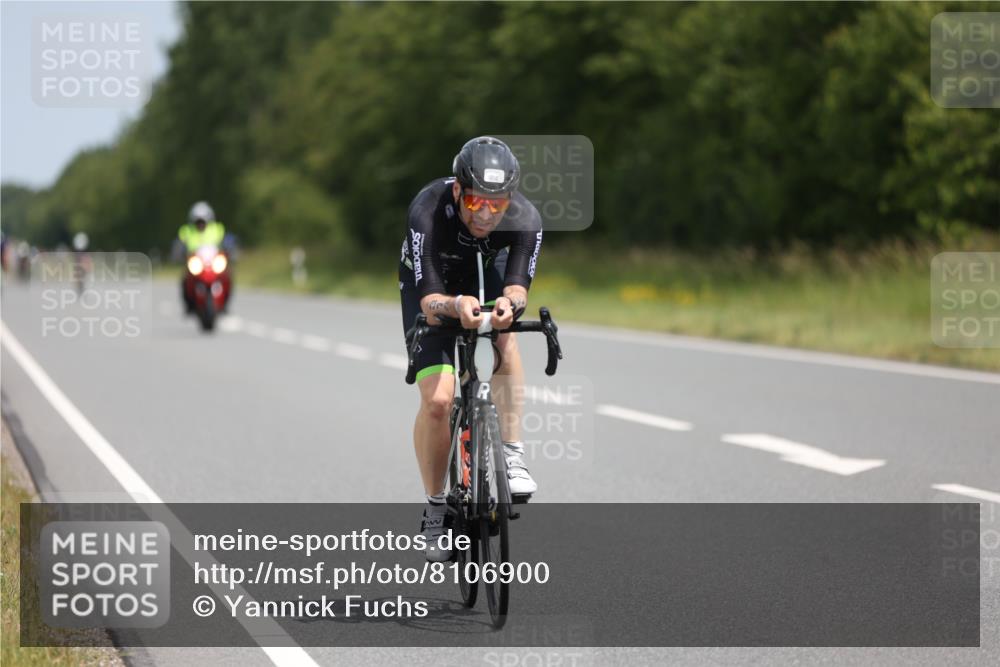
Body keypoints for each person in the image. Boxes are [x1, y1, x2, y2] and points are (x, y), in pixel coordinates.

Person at [399, 136, 543, 561]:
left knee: (506, 334)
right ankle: (435, 507)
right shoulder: (426, 209)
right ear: (460, 190)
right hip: (433, 280)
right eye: (477, 201)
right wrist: (453, 306)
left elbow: (517, 287)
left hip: (486, 270)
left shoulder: (525, 218)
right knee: (439, 402)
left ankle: (512, 455)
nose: (486, 214)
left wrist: (508, 305)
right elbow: (428, 299)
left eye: (497, 205)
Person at [178, 202, 226, 313]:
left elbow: (226, 242)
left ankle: (225, 302)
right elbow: (180, 244)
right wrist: (180, 252)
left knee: (227, 276)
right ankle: (189, 304)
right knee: (185, 279)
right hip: (196, 263)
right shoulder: (187, 231)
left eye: (202, 221)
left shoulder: (216, 229)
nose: (200, 224)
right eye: (198, 222)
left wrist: (230, 249)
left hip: (213, 263)